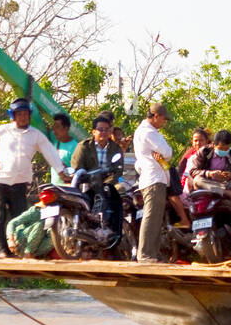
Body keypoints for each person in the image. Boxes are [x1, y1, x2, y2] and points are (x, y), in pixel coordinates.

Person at [0, 97, 71, 258]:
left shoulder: (35, 135)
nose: (23, 117)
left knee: (20, 217)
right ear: (13, 115)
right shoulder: (3, 130)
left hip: (20, 183)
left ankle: (20, 250)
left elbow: (50, 153)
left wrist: (61, 171)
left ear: (29, 115)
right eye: (19, 114)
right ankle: (1, 251)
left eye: (25, 114)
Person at [70, 115, 125, 238]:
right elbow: (77, 167)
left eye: (107, 129)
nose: (104, 132)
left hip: (108, 183)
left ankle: (116, 233)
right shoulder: (83, 147)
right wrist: (90, 180)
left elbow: (118, 170)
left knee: (118, 198)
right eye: (100, 129)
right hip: (87, 184)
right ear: (94, 131)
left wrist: (107, 183)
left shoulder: (116, 148)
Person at [133, 103, 174, 263]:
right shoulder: (148, 132)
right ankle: (145, 254)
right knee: (151, 216)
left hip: (153, 178)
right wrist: (166, 151)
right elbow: (167, 152)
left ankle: (151, 254)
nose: (164, 123)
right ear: (156, 116)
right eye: (164, 119)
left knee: (156, 217)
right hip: (153, 179)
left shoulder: (144, 132)